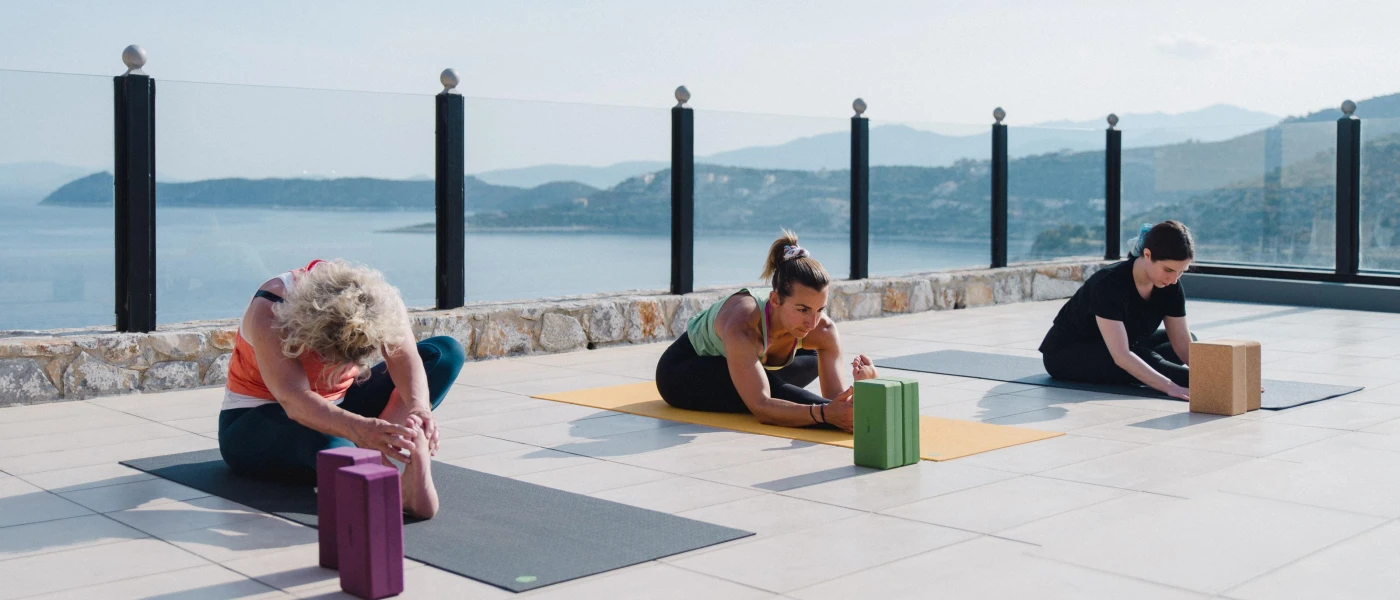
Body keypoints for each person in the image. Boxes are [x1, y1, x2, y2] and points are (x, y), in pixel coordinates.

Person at [217, 259, 464, 519]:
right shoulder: (271, 308)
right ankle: (375, 467)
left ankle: (377, 452)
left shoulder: (379, 299)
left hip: (340, 404)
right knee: (329, 439)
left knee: (445, 354)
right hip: (259, 421)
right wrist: (359, 428)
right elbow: (294, 400)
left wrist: (419, 408)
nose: (346, 367)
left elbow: (405, 358)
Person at [655, 230, 879, 432]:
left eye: (819, 309)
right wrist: (824, 414)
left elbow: (835, 398)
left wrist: (862, 389)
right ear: (775, 300)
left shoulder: (824, 329)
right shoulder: (743, 325)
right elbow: (762, 406)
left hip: (752, 365)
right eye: (802, 310)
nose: (812, 322)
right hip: (685, 371)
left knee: (811, 361)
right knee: (772, 391)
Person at [1038, 221, 1196, 400]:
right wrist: (1170, 386)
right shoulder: (1109, 283)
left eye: (1181, 272)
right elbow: (1121, 355)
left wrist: (1208, 370)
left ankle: (1147, 371)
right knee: (1146, 358)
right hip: (1066, 354)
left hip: (1120, 346)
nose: (1174, 279)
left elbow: (1182, 343)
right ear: (1147, 254)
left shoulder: (1170, 285)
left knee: (1185, 344)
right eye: (1168, 269)